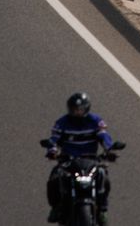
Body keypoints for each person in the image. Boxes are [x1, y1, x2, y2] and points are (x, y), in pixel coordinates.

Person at [44, 92, 115, 223]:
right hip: (68, 160)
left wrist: (109, 150)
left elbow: (104, 136)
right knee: (54, 177)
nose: (77, 112)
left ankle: (102, 209)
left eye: (80, 109)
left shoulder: (95, 121)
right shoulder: (61, 123)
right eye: (74, 109)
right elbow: (54, 140)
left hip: (90, 160)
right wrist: (52, 151)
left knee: (103, 176)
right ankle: (56, 207)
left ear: (86, 109)